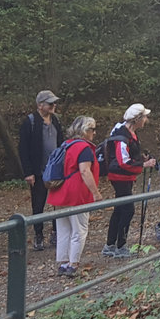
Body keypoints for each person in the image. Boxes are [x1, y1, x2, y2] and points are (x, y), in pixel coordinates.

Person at [46, 116, 103, 278]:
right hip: (76, 193)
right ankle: (73, 263)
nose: (94, 133)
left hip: (60, 190)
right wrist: (95, 193)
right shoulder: (84, 148)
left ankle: (63, 263)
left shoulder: (67, 144)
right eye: (92, 129)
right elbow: (85, 171)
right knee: (79, 229)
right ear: (85, 131)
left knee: (63, 229)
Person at [102, 104, 157, 259]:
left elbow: (130, 155)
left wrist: (141, 159)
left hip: (125, 177)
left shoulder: (129, 133)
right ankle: (120, 246)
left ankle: (111, 245)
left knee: (120, 208)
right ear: (137, 119)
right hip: (120, 177)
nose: (146, 120)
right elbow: (123, 162)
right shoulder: (122, 136)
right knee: (128, 210)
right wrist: (143, 164)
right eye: (144, 117)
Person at [18, 90, 64, 251]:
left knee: (57, 202)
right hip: (38, 170)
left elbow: (61, 143)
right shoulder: (30, 122)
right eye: (50, 103)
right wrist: (28, 172)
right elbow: (23, 149)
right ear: (40, 105)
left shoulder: (56, 120)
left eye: (54, 103)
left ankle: (56, 232)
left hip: (55, 169)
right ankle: (38, 235)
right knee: (38, 204)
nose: (53, 106)